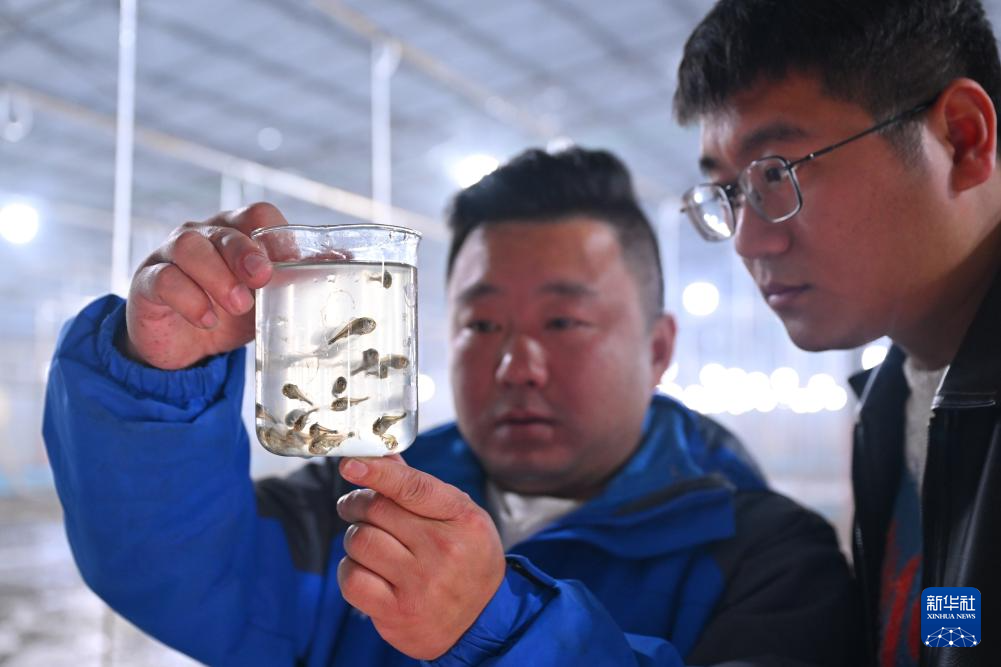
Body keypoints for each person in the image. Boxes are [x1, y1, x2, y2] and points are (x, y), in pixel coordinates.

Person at [43, 147, 857, 666]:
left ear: (656, 349)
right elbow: (176, 567)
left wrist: (499, 629)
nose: (515, 364)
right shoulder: (351, 505)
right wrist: (158, 372)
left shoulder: (767, 560)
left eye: (564, 322)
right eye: (481, 323)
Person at [673, 2, 1001, 666]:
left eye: (776, 173)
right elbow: (952, 629)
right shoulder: (893, 404)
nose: (748, 242)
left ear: (961, 140)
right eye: (729, 194)